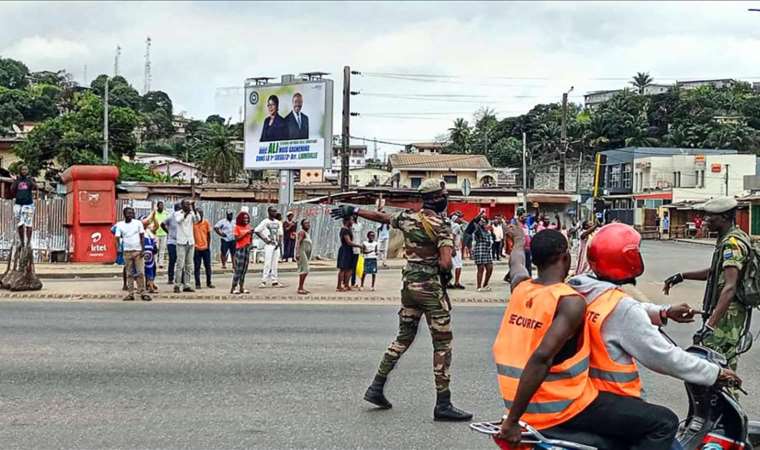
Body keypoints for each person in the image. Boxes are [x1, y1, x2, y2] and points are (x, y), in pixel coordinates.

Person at [495, 225, 680, 450]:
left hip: (524, 404)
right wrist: (511, 422)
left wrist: (517, 240)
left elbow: (516, 263)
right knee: (664, 422)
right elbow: (542, 358)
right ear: (565, 257)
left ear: (534, 259)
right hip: (562, 407)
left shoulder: (521, 288)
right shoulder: (569, 301)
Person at [569, 223, 740, 436]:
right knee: (665, 422)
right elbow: (664, 357)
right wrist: (715, 373)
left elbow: (625, 311)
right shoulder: (621, 306)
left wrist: (664, 312)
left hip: (583, 391)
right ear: (628, 257)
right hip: (613, 396)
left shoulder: (581, 290)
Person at [331, 178, 473, 421]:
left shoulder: (409, 218)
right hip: (430, 289)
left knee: (403, 338)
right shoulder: (441, 225)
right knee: (442, 344)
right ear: (439, 199)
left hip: (409, 286)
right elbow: (445, 262)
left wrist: (354, 210)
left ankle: (376, 387)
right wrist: (443, 269)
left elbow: (384, 218)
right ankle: (443, 403)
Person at [664, 197, 752, 371]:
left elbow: (730, 286)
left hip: (726, 318)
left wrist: (710, 325)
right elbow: (715, 272)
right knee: (720, 369)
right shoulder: (729, 238)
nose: (705, 221)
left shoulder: (732, 244)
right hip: (724, 315)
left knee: (718, 370)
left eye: (710, 217)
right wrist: (682, 276)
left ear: (725, 217)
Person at [114, 207, 151, 302]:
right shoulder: (120, 225)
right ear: (124, 214)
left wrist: (143, 249)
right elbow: (117, 238)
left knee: (140, 272)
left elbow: (142, 236)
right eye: (128, 213)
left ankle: (143, 292)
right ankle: (130, 293)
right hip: (126, 251)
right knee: (129, 273)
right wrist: (118, 248)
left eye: (132, 213)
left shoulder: (138, 223)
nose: (130, 215)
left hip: (137, 250)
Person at [173, 199, 199, 294]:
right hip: (181, 242)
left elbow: (197, 220)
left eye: (189, 204)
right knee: (180, 264)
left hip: (190, 242)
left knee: (189, 265)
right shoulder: (177, 213)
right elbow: (178, 220)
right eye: (187, 204)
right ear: (182, 205)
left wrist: (194, 209)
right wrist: (186, 213)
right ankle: (177, 285)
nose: (188, 206)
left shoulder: (192, 213)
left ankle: (187, 285)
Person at [255, 206, 284, 288]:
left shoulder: (279, 222)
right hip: (269, 245)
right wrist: (265, 239)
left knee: (275, 263)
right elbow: (257, 230)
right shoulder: (265, 222)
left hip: (276, 244)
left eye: (275, 211)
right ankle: (264, 281)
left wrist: (279, 243)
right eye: (273, 211)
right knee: (267, 263)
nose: (274, 213)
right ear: (269, 212)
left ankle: (274, 280)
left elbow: (280, 234)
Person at [10, 165, 37, 248]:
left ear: (28, 171)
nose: (24, 171)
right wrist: (15, 180)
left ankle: (28, 242)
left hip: (28, 204)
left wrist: (31, 180)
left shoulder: (30, 180)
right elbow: (12, 189)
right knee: (20, 224)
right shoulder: (17, 180)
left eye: (26, 169)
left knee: (28, 224)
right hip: (18, 204)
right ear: (20, 171)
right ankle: (22, 242)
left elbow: (35, 187)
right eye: (23, 170)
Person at [467, 212, 493, 292]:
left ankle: (485, 284)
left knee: (490, 268)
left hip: (487, 250)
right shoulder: (478, 229)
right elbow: (474, 222)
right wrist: (479, 214)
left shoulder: (488, 231)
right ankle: (479, 286)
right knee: (480, 268)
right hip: (480, 249)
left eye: (484, 221)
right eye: (481, 221)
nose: (483, 222)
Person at [230, 211, 254, 294]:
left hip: (247, 248)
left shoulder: (248, 226)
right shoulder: (237, 227)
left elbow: (250, 237)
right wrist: (246, 233)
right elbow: (236, 238)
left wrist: (251, 243)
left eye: (247, 218)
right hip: (240, 249)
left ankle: (241, 287)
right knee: (238, 269)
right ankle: (233, 287)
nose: (246, 220)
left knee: (244, 269)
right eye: (244, 218)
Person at [336, 216, 360, 292]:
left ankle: (346, 285)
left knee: (349, 268)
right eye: (351, 220)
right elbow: (348, 242)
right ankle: (339, 286)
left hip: (349, 250)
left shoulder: (348, 229)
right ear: (347, 221)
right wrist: (359, 246)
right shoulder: (344, 230)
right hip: (345, 250)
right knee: (343, 269)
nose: (352, 221)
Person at [161, 203, 182, 285]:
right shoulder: (170, 217)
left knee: (180, 261)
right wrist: (168, 232)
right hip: (171, 242)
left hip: (181, 242)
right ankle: (170, 278)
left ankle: (180, 278)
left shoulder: (182, 217)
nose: (179, 210)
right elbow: (162, 224)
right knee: (172, 260)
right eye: (178, 209)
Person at [192, 209, 214, 289]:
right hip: (196, 248)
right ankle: (197, 284)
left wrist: (208, 245)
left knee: (208, 266)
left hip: (205, 248)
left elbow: (208, 234)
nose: (200, 215)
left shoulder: (206, 223)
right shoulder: (193, 224)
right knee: (197, 267)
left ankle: (209, 282)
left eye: (201, 213)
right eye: (198, 213)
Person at [142, 218, 159, 294]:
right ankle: (148, 285)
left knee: (152, 268)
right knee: (147, 269)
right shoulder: (141, 231)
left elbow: (157, 226)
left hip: (151, 252)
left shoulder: (149, 231)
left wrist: (154, 217)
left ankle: (150, 284)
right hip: (144, 252)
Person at [296, 219, 312, 295]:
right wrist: (297, 253)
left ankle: (301, 287)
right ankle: (300, 288)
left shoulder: (306, 233)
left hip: (305, 253)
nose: (308, 224)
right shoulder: (302, 232)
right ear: (302, 225)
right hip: (301, 252)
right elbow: (298, 243)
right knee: (305, 269)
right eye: (306, 223)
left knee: (304, 269)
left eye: (308, 223)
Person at [449, 212, 465, 289]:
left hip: (452, 247)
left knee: (450, 266)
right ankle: (457, 282)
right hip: (455, 248)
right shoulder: (456, 225)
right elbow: (453, 236)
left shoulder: (451, 224)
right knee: (458, 266)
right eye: (460, 217)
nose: (461, 219)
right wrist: (453, 249)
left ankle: (448, 282)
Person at [151, 201, 169, 269]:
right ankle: (155, 262)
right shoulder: (154, 213)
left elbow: (167, 223)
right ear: (157, 206)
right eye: (160, 205)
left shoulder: (166, 213)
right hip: (156, 234)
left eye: (162, 205)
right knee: (156, 249)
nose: (161, 207)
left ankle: (161, 263)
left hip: (164, 234)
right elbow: (152, 222)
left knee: (162, 249)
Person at [351, 215, 363, 288]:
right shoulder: (351, 225)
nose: (355, 217)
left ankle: (353, 282)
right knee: (348, 267)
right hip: (350, 248)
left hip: (357, 249)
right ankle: (345, 281)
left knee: (354, 267)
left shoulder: (360, 225)